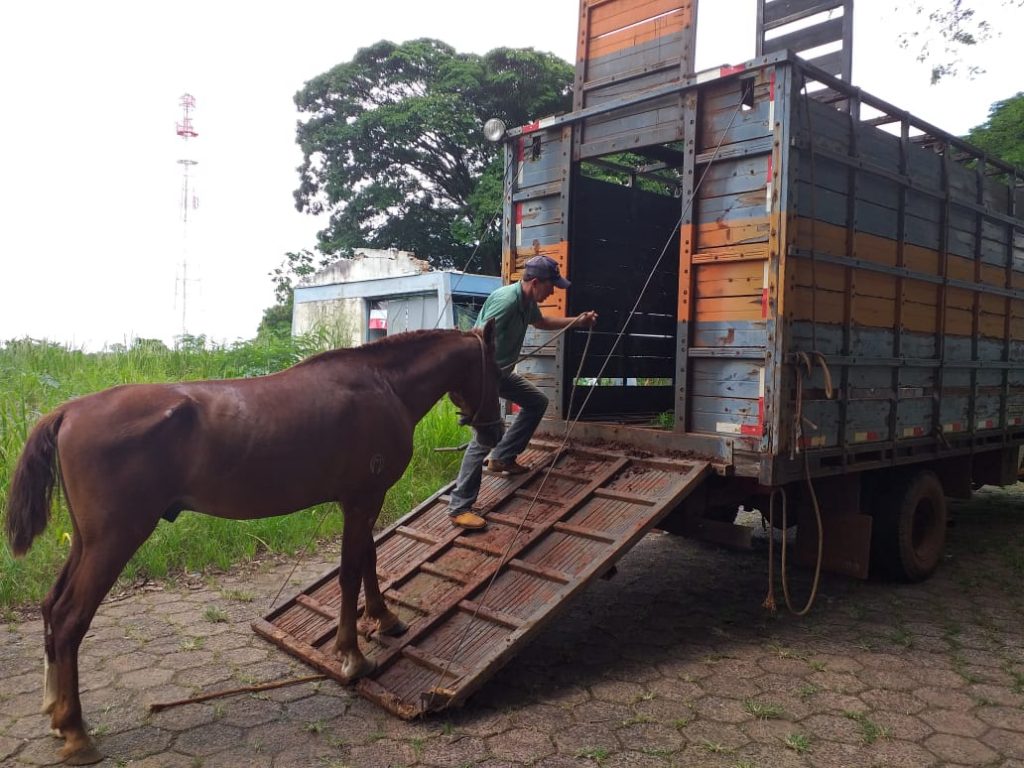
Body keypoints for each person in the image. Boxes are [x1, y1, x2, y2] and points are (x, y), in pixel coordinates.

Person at [448, 255, 598, 529]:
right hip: (483, 375)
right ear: (536, 282)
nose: (553, 291)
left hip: (501, 373)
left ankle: (503, 457)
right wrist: (477, 387)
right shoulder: (505, 303)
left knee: (536, 402)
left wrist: (577, 321)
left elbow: (541, 323)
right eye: (551, 286)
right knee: (483, 438)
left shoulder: (527, 302)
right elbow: (476, 339)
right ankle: (459, 507)